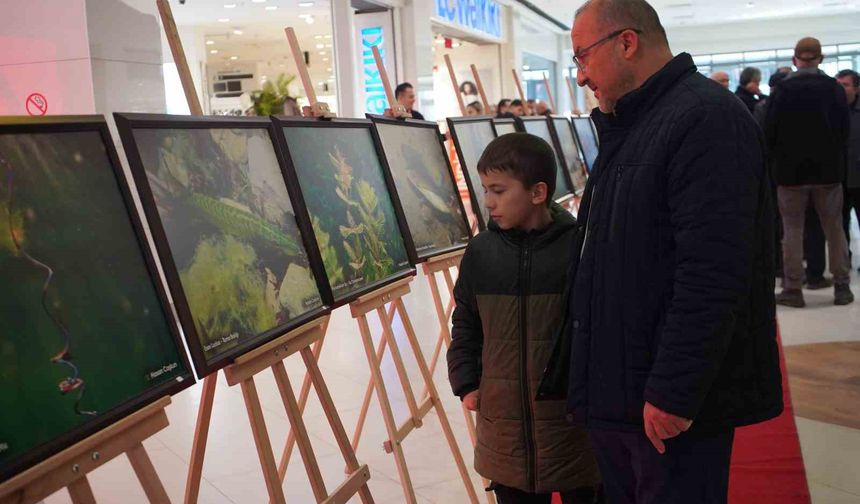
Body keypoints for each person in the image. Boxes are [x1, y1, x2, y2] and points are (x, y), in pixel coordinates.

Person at [538, 1, 783, 503]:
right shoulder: (635, 120)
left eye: (582, 58)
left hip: (664, 403)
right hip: (625, 386)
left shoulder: (703, 119)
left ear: (627, 43)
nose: (581, 77)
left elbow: (713, 272)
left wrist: (674, 389)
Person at [447, 133, 601, 504]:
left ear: (537, 192)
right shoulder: (481, 252)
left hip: (572, 428)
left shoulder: (580, 247)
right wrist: (466, 381)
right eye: (485, 190)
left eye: (498, 191)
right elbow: (466, 321)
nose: (488, 202)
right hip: (505, 431)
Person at [765, 37, 854, 306]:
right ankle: (841, 286)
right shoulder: (833, 89)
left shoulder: (782, 89)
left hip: (790, 174)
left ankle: (793, 288)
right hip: (828, 172)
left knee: (792, 230)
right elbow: (844, 131)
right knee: (834, 228)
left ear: (795, 60)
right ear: (821, 58)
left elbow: (770, 131)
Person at [837, 69, 860, 269]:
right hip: (839, 179)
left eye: (845, 85)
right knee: (840, 226)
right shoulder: (832, 111)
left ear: (856, 88)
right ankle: (845, 261)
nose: (841, 89)